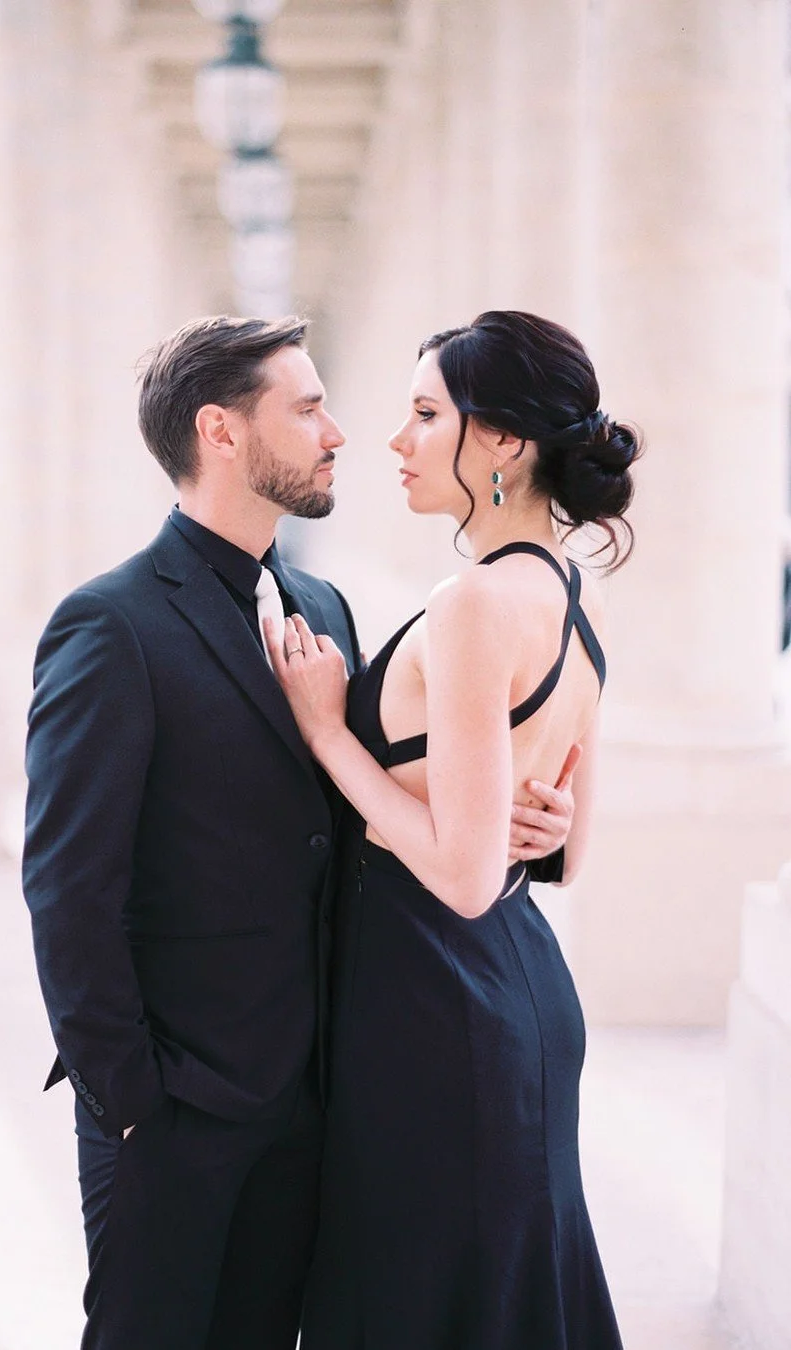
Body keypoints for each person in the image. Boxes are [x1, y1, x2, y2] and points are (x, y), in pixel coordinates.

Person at [21, 315, 575, 1350]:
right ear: (222, 433)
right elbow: (66, 889)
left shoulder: (324, 605)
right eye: (308, 407)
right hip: (175, 1113)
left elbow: (362, 814)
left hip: (319, 1102)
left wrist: (513, 817)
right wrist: (131, 1100)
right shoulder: (112, 625)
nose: (339, 433)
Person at [265, 310, 637, 1350]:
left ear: (506, 443)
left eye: (428, 413)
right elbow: (564, 844)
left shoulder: (472, 602)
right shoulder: (573, 595)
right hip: (513, 991)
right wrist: (527, 810)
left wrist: (330, 736)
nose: (395, 439)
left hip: (436, 1002)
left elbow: (468, 878)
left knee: (421, 1303)